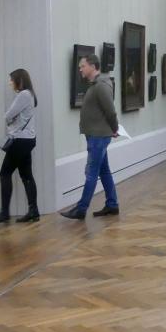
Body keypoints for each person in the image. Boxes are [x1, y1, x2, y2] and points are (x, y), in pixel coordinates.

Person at [61, 54, 119, 220]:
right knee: (104, 171)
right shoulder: (95, 85)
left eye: (83, 66)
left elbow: (110, 111)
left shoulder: (100, 86)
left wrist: (114, 128)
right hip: (96, 135)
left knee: (91, 172)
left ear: (93, 66)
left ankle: (81, 209)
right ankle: (112, 204)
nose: (80, 69)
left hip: (98, 137)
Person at [0, 68, 39, 225]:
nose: (10, 83)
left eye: (12, 80)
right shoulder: (30, 94)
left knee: (4, 173)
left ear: (19, 80)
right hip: (28, 140)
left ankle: (4, 212)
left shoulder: (23, 95)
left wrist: (10, 119)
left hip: (20, 140)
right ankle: (33, 211)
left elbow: (8, 115)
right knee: (26, 175)